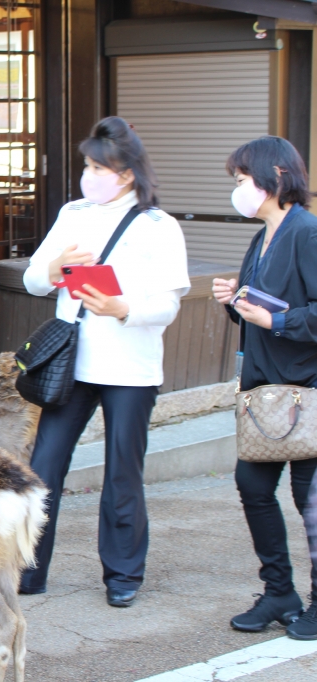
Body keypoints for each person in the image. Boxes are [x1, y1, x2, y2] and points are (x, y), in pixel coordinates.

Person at [19, 116, 190, 607]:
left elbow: (168, 304)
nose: (88, 175)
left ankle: (122, 575)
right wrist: (53, 268)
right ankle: (28, 568)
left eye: (99, 167)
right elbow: (34, 279)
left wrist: (123, 308)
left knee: (122, 472)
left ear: (127, 173)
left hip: (131, 368)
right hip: (71, 364)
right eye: (87, 166)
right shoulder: (73, 214)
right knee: (43, 466)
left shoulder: (158, 226)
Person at [211, 136, 317, 639]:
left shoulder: (307, 232)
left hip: (307, 390)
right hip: (264, 392)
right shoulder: (263, 237)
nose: (238, 190)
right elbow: (261, 311)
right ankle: (279, 592)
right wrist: (235, 301)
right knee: (253, 487)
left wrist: (275, 321)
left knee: (308, 500)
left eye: (241, 179)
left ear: (275, 175)